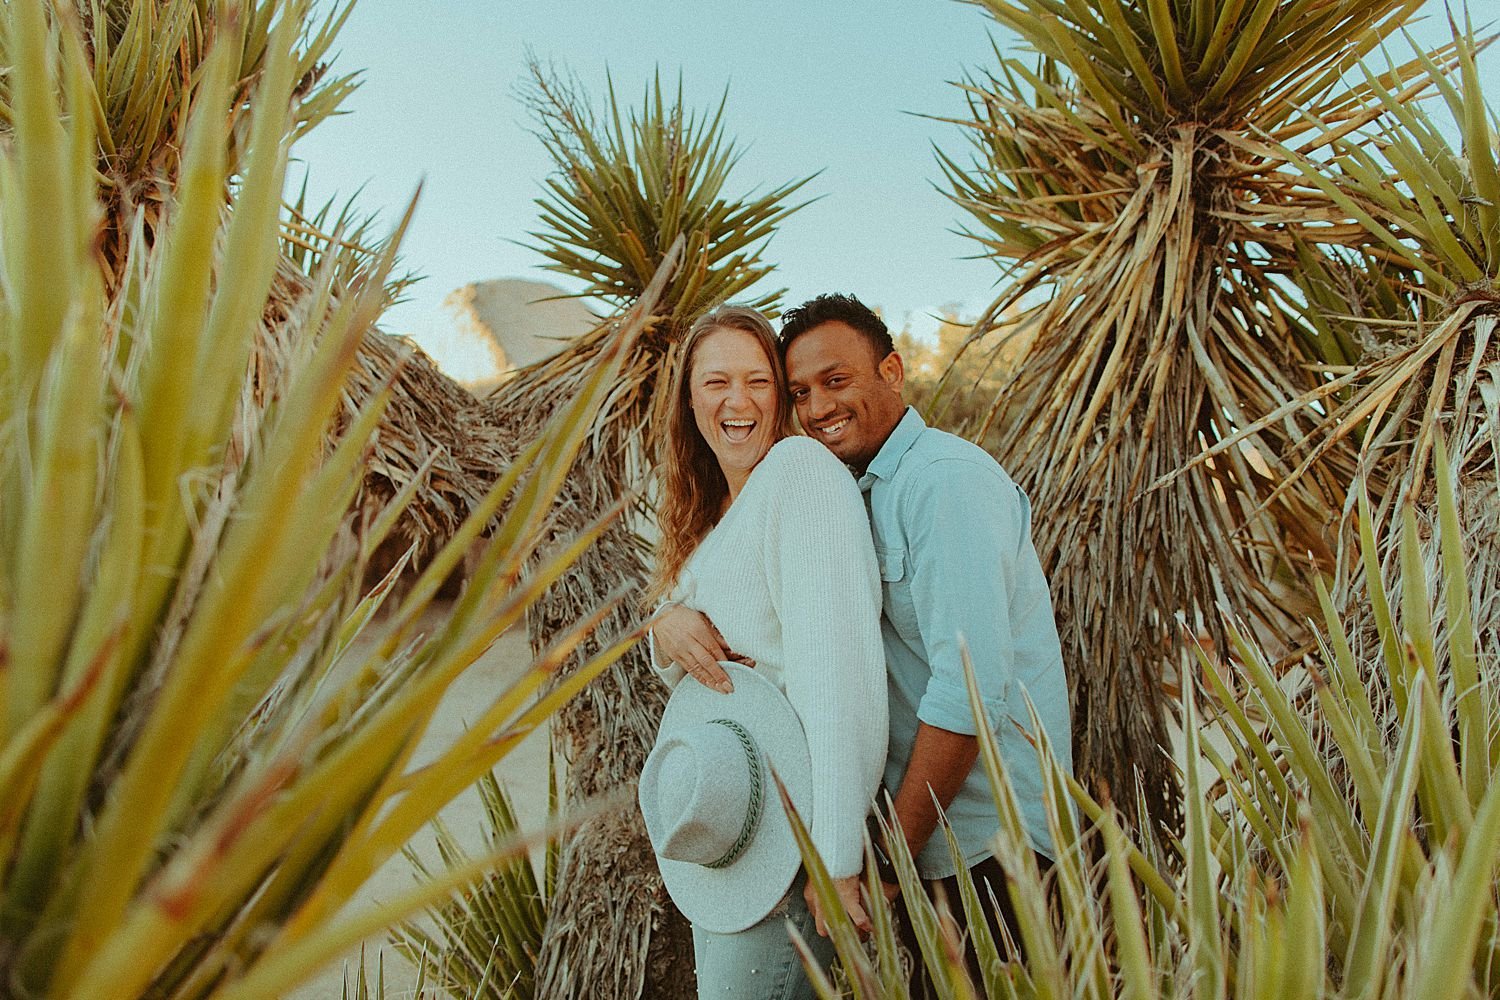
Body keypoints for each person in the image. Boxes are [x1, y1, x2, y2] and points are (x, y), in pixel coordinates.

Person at [656, 293, 1072, 994]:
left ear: (893, 371)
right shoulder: (858, 486)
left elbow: (967, 692)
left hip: (988, 837)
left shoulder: (942, 483)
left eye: (837, 381)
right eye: (801, 391)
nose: (818, 408)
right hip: (922, 834)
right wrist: (665, 621)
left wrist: (874, 859)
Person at [641, 305, 888, 1000]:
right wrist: (666, 624)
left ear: (779, 397)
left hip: (794, 851)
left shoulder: (798, 474)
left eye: (757, 381)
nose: (738, 400)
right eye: (716, 382)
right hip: (734, 835)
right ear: (688, 400)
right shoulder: (715, 514)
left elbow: (838, 674)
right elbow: (706, 625)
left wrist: (835, 858)